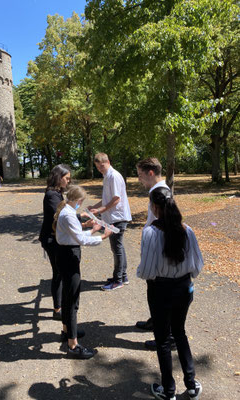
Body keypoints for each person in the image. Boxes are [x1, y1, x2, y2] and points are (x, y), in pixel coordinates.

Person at [137, 187, 203, 400]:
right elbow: (197, 264)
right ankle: (191, 385)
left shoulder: (150, 233)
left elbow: (146, 271)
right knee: (180, 333)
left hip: (160, 291)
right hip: (184, 288)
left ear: (154, 207)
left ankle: (168, 390)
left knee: (163, 339)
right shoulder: (187, 229)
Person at [55, 185, 112, 359]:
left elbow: (76, 233)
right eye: (81, 201)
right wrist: (102, 236)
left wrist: (92, 229)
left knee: (67, 295)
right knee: (72, 299)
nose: (81, 204)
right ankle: (73, 345)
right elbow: (79, 239)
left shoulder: (68, 211)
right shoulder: (67, 213)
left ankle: (67, 330)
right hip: (68, 255)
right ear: (77, 200)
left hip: (66, 254)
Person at [136, 157, 173, 350]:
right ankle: (156, 322)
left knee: (159, 292)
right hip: (156, 246)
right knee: (155, 292)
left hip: (158, 249)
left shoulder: (159, 192)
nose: (139, 179)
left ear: (150, 173)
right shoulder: (159, 190)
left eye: (140, 175)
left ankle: (166, 336)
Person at [89, 153, 132, 291]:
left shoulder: (113, 176)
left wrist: (100, 209)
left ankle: (117, 280)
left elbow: (116, 199)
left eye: (101, 166)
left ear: (107, 162)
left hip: (118, 218)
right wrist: (95, 207)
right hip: (113, 217)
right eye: (97, 167)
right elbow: (107, 199)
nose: (100, 169)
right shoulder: (107, 176)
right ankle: (123, 276)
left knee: (117, 249)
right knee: (118, 248)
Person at [39, 164, 71, 321]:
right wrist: (80, 222)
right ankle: (58, 309)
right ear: (58, 177)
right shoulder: (52, 195)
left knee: (59, 272)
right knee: (58, 273)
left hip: (54, 237)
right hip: (51, 240)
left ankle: (58, 306)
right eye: (66, 178)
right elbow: (59, 217)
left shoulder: (56, 193)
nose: (68, 182)